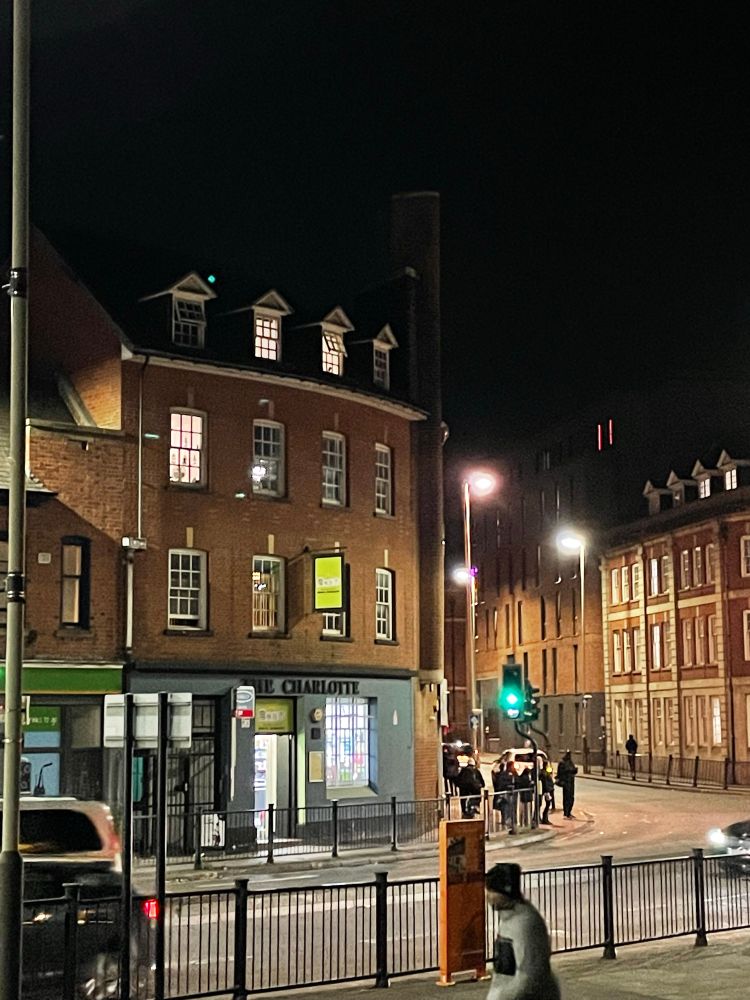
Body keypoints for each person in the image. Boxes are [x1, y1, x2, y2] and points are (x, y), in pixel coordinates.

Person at [485, 862, 561, 1000]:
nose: (488, 896)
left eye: (492, 891)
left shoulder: (525, 923)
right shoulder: (510, 919)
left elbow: (529, 976)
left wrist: (500, 997)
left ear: (504, 893)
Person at [492, 760, 517, 833]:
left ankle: (509, 822)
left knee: (509, 808)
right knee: (505, 807)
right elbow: (500, 784)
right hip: (504, 794)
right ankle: (505, 822)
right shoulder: (503, 775)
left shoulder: (512, 774)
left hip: (508, 794)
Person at [555, 750, 578, 819]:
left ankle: (569, 812)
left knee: (571, 797)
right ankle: (566, 813)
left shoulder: (570, 762)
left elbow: (572, 770)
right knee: (566, 798)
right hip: (566, 782)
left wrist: (574, 770)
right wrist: (569, 771)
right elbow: (560, 772)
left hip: (571, 781)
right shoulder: (562, 763)